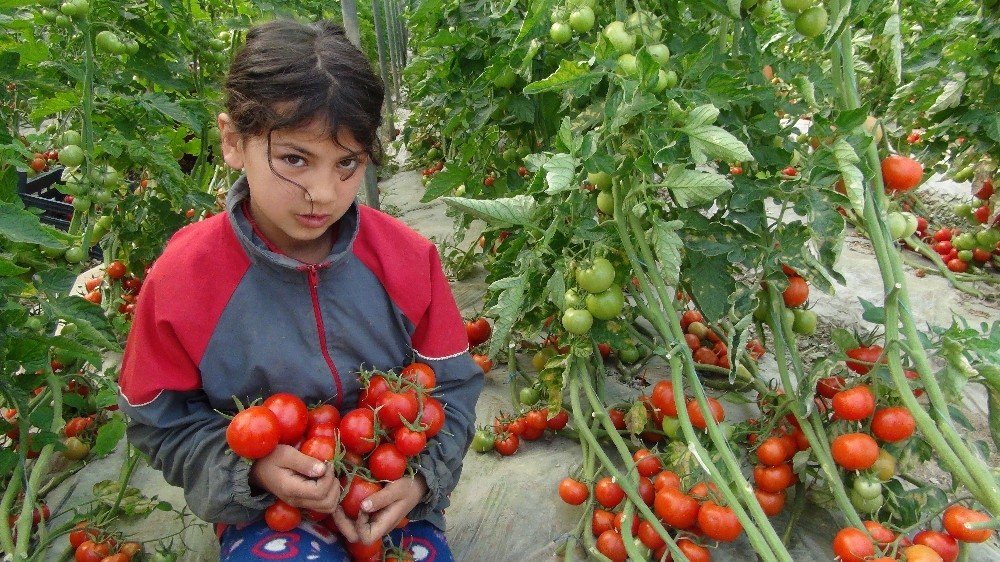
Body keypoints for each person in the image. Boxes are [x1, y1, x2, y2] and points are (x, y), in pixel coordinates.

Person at [117, 19, 484, 561]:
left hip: (384, 493)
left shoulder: (407, 260)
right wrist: (253, 468)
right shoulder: (184, 280)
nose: (322, 193)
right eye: (294, 159)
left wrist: (421, 481)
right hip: (265, 510)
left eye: (347, 164)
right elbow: (160, 423)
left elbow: (451, 390)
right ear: (233, 142)